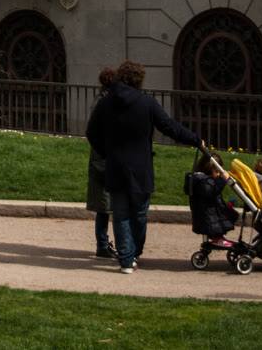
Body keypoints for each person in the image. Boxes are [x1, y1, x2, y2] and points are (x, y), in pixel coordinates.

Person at [84, 60, 206, 273]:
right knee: (139, 214)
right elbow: (169, 127)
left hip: (116, 166)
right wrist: (195, 140)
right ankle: (134, 253)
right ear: (139, 80)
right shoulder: (147, 103)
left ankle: (126, 260)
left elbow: (91, 132)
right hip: (141, 167)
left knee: (120, 215)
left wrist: (107, 153)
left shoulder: (105, 102)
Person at [85, 65, 117, 260]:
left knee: (104, 207)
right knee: (104, 208)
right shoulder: (105, 102)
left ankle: (103, 243)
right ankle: (102, 245)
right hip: (103, 159)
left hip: (100, 158)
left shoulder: (101, 99)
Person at [187, 152, 238, 254]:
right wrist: (222, 179)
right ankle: (217, 238)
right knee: (220, 220)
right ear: (208, 170)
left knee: (230, 215)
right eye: (217, 172)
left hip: (209, 212)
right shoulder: (203, 181)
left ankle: (218, 237)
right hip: (207, 215)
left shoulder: (204, 180)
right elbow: (211, 190)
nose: (218, 174)